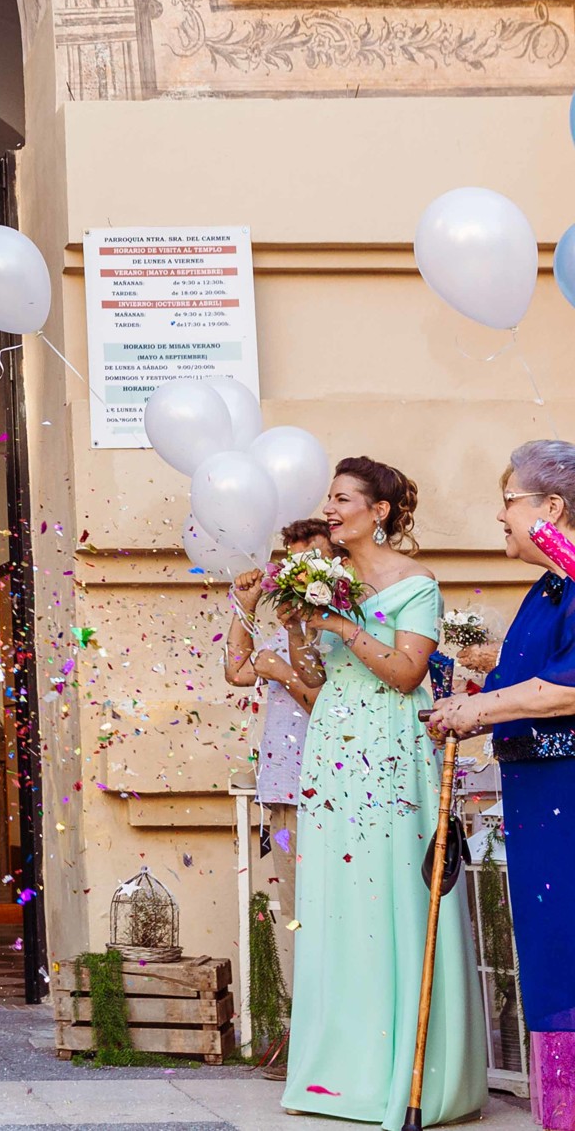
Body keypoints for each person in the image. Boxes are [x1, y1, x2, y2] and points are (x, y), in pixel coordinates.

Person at [282, 457, 486, 1128]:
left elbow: (405, 673)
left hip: (391, 749)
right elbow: (316, 675)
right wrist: (298, 626)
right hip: (332, 747)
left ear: (380, 512)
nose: (329, 508)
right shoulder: (327, 577)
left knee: (391, 890)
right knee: (337, 897)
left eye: (342, 498)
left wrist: (343, 624)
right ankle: (339, 1070)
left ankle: (405, 1068)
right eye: (329, 497)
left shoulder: (414, 583)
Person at [428, 440, 575, 1129]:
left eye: (509, 500)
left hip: (567, 791)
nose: (498, 514)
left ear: (553, 508)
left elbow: (565, 689)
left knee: (566, 940)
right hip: (536, 793)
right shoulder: (548, 588)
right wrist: (465, 693)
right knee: (549, 946)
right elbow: (524, 681)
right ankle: (560, 1110)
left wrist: (479, 709)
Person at [223, 518, 330, 997]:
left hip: (331, 795)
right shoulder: (285, 632)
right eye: (292, 562)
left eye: (311, 561)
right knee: (298, 912)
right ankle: (309, 1015)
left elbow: (331, 709)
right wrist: (244, 607)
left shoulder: (341, 633)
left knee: (333, 912)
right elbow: (238, 671)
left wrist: (285, 673)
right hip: (285, 793)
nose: (298, 573)